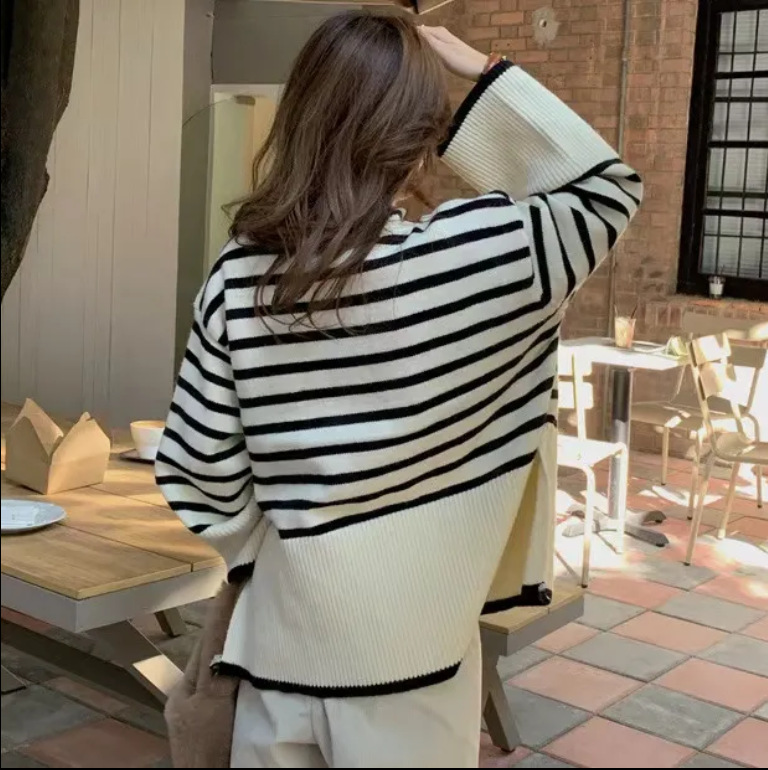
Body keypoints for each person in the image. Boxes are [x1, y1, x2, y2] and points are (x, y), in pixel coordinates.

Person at [156, 12, 642, 769]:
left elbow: (198, 472)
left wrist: (282, 557)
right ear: (420, 139)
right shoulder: (480, 261)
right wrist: (487, 75)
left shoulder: (240, 276)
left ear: (300, 119)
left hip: (276, 647)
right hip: (418, 660)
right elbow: (605, 189)